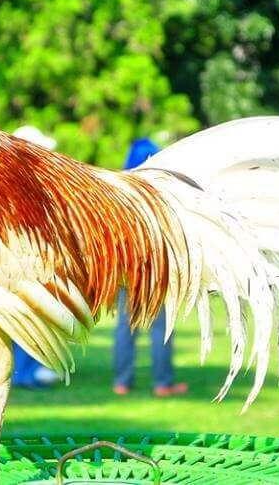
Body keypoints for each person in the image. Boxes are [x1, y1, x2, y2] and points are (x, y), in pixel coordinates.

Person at [112, 138, 188, 397]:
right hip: (156, 269)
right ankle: (163, 383)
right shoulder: (162, 192)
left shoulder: (120, 191)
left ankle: (122, 383)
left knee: (125, 327)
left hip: (126, 270)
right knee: (160, 329)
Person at [10, 125, 62, 389]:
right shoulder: (22, 186)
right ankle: (25, 373)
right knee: (28, 319)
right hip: (25, 265)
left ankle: (26, 370)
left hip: (26, 263)